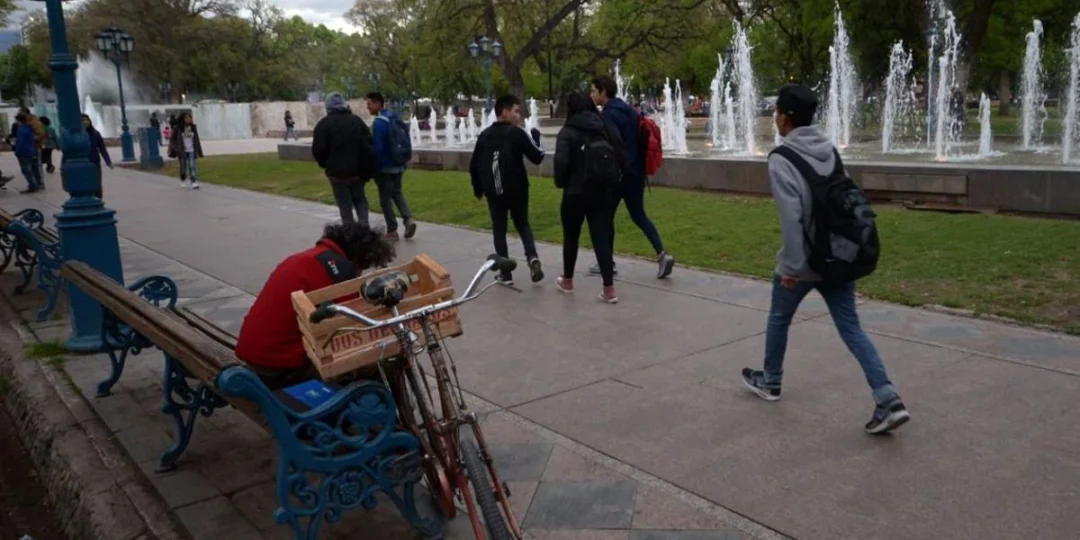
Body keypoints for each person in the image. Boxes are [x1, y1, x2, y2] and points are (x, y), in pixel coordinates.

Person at [740, 83, 910, 435]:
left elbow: (792, 219)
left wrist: (791, 267)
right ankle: (887, 397)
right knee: (851, 328)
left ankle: (771, 380)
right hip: (838, 256)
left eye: (776, 112)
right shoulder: (829, 149)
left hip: (804, 261)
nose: (774, 117)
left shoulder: (781, 158)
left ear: (784, 118)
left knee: (779, 318)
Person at [235, 223, 395, 388]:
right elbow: (352, 325)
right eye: (363, 267)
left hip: (254, 351)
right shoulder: (338, 271)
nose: (360, 274)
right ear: (359, 259)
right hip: (278, 364)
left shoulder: (307, 258)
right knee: (374, 365)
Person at [590, 75, 675, 279]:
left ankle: (607, 263)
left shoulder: (608, 115)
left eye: (593, 91)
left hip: (618, 174)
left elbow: (613, 145)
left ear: (603, 92)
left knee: (605, 217)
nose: (591, 95)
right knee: (639, 216)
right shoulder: (629, 110)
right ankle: (662, 254)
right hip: (636, 172)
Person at [553, 91, 625, 304]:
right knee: (601, 238)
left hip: (575, 191)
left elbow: (561, 163)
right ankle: (609, 288)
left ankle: (567, 280)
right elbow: (619, 153)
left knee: (571, 237)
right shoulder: (603, 127)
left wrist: (561, 182)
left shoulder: (567, 132)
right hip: (601, 190)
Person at [469, 95, 546, 285]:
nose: (519, 116)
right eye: (516, 111)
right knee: (523, 224)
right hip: (518, 188)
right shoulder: (517, 133)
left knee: (499, 229)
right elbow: (537, 156)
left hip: (494, 192)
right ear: (504, 112)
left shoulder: (485, 136)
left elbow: (474, 165)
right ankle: (532, 258)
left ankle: (506, 273)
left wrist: (478, 188)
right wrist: (537, 137)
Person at [312, 91, 378, 227]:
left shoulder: (323, 125)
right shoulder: (356, 121)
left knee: (344, 205)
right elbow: (368, 145)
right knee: (360, 200)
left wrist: (325, 164)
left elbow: (318, 150)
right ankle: (364, 228)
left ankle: (349, 231)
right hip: (357, 172)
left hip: (336, 173)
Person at [367, 92, 417, 241]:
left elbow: (378, 148)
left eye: (369, 104)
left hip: (385, 166)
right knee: (397, 192)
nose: (368, 107)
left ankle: (392, 230)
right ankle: (408, 219)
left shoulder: (379, 123)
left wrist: (374, 165)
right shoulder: (395, 117)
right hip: (399, 164)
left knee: (385, 199)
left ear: (378, 103)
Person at [168, 112, 204, 189]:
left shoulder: (193, 127)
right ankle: (182, 179)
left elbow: (196, 139)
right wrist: (173, 148)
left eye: (189, 117)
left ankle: (193, 182)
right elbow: (173, 139)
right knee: (183, 167)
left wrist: (199, 150)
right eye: (186, 117)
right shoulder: (178, 128)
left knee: (192, 166)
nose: (188, 119)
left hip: (191, 150)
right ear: (182, 119)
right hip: (182, 151)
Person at [82, 114, 113, 199]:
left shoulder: (95, 133)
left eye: (87, 120)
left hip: (94, 162)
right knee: (85, 183)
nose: (85, 122)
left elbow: (102, 148)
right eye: (83, 120)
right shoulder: (77, 135)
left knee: (97, 183)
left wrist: (108, 162)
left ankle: (98, 200)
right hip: (82, 163)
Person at [13, 113, 42, 193]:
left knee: (26, 170)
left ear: (18, 120)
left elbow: (20, 142)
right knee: (34, 169)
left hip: (23, 152)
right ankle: (38, 184)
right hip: (32, 150)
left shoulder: (21, 129)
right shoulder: (30, 127)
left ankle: (33, 186)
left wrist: (17, 151)